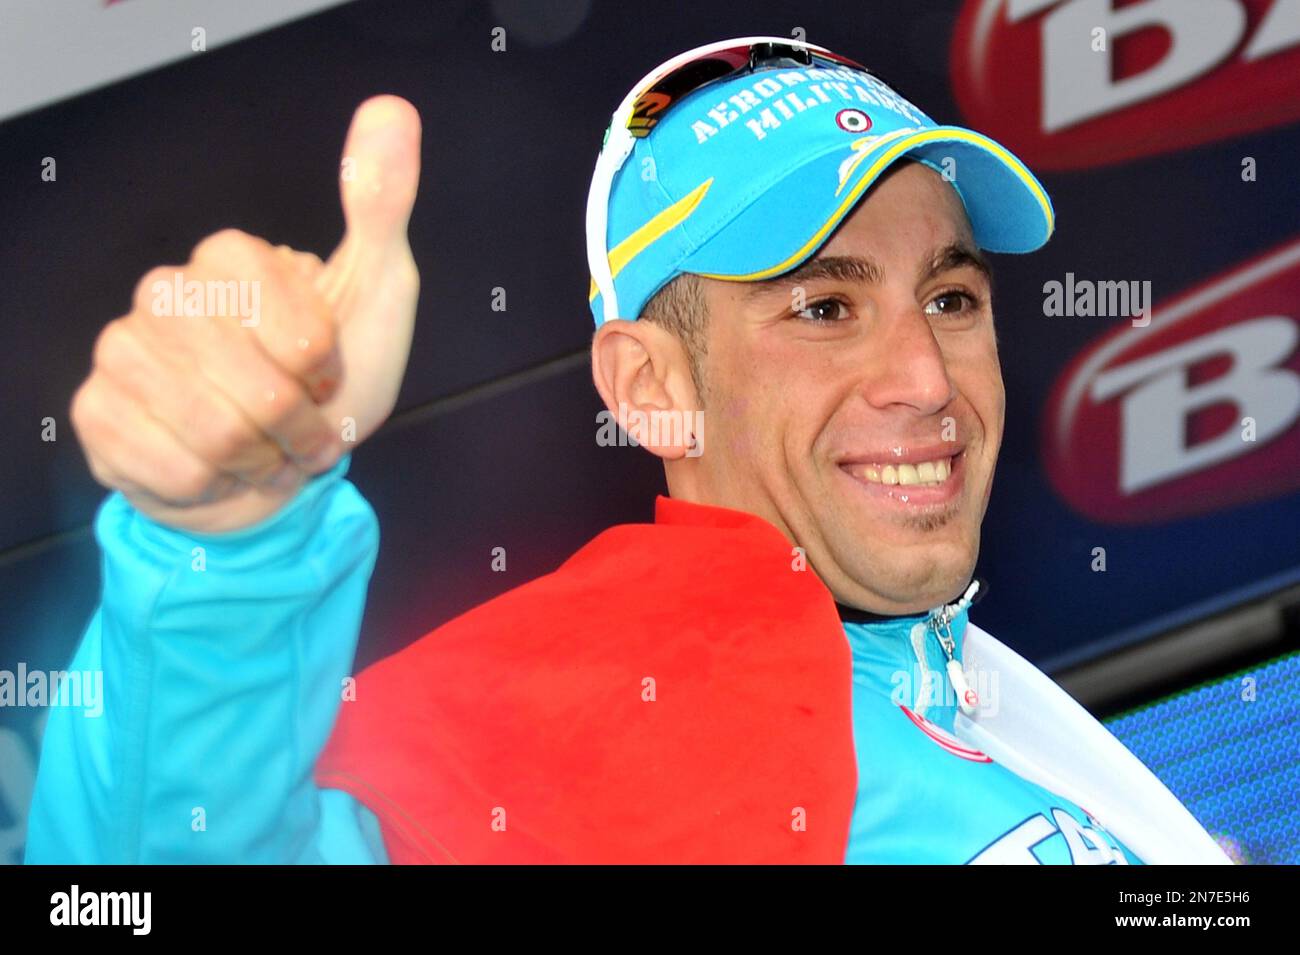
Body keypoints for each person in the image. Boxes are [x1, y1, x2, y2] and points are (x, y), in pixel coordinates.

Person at [24, 37, 1231, 864]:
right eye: (823, 307)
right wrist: (227, 554)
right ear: (653, 389)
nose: (927, 377)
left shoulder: (977, 691)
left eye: (952, 299)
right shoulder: (615, 678)